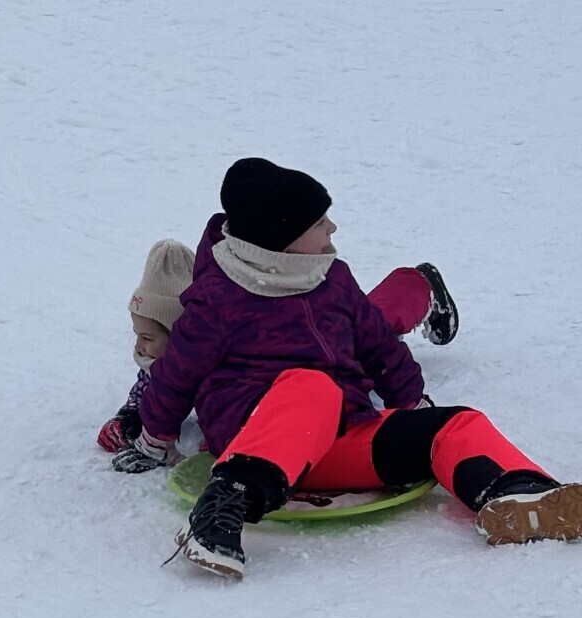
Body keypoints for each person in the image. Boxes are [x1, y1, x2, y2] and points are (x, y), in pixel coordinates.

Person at [113, 158, 582, 577]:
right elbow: (178, 374)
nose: (332, 227)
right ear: (282, 239)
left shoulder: (331, 277)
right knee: (312, 387)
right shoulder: (219, 298)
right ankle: (222, 510)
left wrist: (412, 405)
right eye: (319, 222)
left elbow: (379, 345)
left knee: (456, 423)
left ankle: (517, 494)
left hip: (340, 436)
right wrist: (154, 438)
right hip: (256, 438)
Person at [100, 196, 458, 455]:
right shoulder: (174, 352)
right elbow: (159, 388)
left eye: (148, 337)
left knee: (370, 325)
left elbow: (379, 349)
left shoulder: (203, 333)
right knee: (363, 320)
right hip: (292, 372)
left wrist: (411, 405)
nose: (140, 348)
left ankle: (417, 285)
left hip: (319, 360)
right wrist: (135, 421)